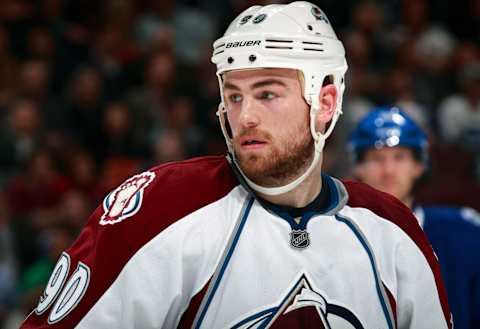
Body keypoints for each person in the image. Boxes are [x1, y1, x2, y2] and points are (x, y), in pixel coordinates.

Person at [21, 2, 451, 328]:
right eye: (234, 95)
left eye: (267, 94)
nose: (244, 116)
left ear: (325, 102)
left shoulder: (393, 231)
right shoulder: (159, 209)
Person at [348, 106, 480, 329]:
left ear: (419, 166)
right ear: (358, 167)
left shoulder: (463, 232)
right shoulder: (335, 234)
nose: (388, 170)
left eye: (399, 157)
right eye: (376, 158)